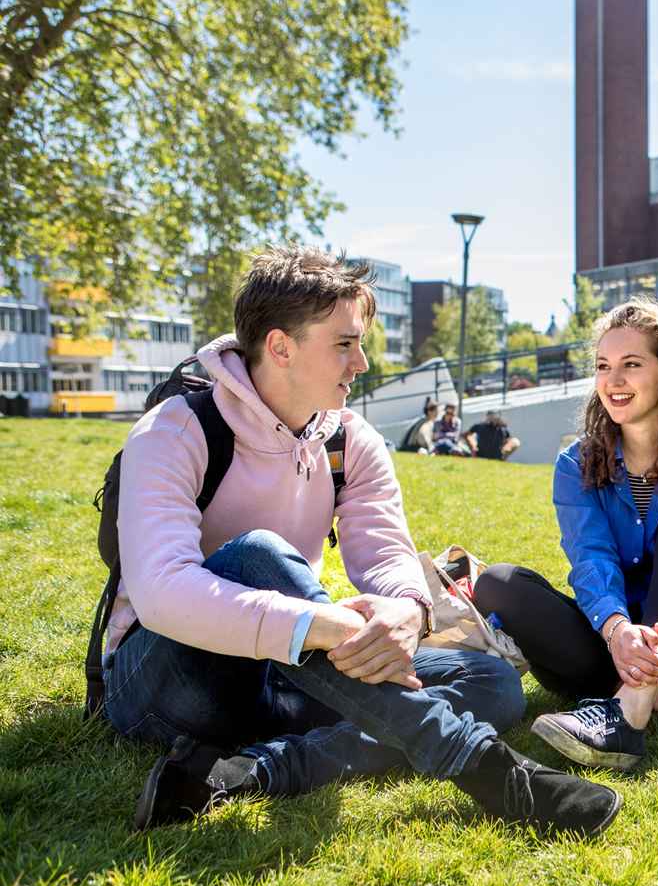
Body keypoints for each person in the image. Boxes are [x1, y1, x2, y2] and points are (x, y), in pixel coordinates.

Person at [104, 245, 620, 836]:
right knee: (257, 554)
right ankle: (480, 765)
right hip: (171, 681)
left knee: (492, 682)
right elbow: (161, 591)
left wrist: (408, 609)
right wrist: (314, 625)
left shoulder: (350, 439)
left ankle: (251, 771)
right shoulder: (176, 429)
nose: (363, 362)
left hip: (287, 672)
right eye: (345, 344)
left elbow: (383, 551)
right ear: (281, 347)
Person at [475, 299, 658, 770]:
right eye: (603, 366)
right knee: (497, 583)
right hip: (616, 649)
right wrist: (617, 630)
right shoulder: (577, 464)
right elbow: (591, 557)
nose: (613, 380)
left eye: (631, 364)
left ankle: (627, 717)